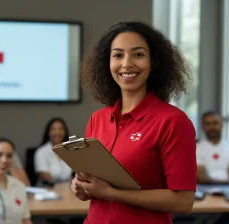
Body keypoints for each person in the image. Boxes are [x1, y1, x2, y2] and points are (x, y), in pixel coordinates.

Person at [71, 21, 197, 224]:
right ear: (107, 63)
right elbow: (92, 190)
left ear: (154, 62)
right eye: (118, 55)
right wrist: (81, 186)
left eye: (138, 54)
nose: (127, 63)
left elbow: (183, 201)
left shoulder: (173, 121)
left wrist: (113, 194)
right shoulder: (98, 119)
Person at [196, 111, 229, 184]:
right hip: (204, 190)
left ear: (222, 124)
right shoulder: (194, 148)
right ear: (202, 126)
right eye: (208, 124)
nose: (212, 127)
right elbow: (201, 178)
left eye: (215, 123)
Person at [34, 117, 73, 186]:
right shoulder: (41, 152)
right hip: (48, 188)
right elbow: (45, 176)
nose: (57, 132)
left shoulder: (71, 150)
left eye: (60, 129)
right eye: (53, 129)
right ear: (48, 132)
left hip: (69, 188)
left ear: (65, 132)